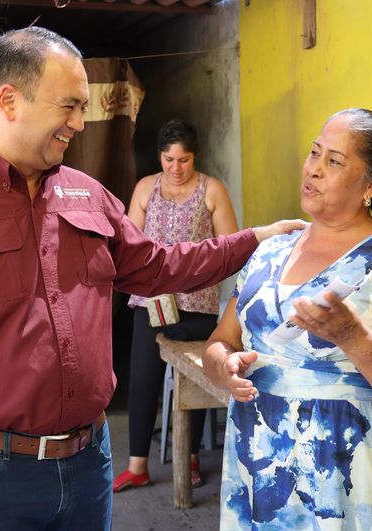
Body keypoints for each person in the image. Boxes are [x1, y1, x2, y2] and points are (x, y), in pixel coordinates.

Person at [0, 26, 303, 531]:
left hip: (88, 465)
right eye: (69, 106)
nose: (79, 122)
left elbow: (159, 266)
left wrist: (255, 240)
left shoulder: (87, 194)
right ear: (9, 100)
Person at [202, 108, 372, 530]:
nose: (313, 169)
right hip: (256, 469)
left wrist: (353, 336)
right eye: (314, 154)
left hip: (344, 481)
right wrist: (224, 366)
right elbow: (221, 340)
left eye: (334, 161)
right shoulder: (271, 251)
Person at [113, 119, 239, 492]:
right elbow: (128, 243)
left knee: (193, 377)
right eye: (169, 159)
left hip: (196, 302)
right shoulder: (144, 189)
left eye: (183, 160)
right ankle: (138, 465)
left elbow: (230, 247)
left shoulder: (211, 190)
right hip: (151, 301)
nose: (176, 168)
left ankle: (192, 458)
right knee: (143, 379)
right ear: (160, 157)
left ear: (194, 157)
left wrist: (197, 265)